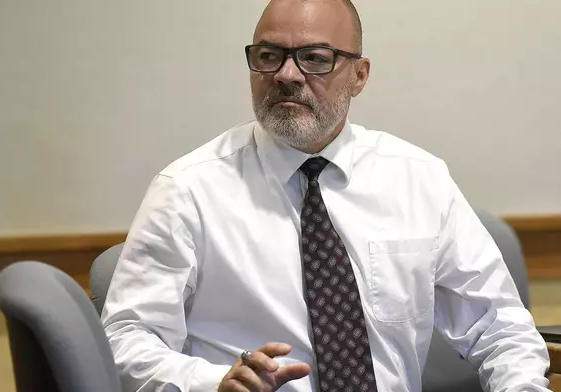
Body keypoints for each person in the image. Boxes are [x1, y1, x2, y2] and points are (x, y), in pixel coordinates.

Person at [102, 0, 551, 391]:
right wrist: (210, 382)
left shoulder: (419, 179)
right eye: (268, 56)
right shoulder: (188, 190)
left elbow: (500, 328)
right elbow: (124, 339)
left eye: (314, 58)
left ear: (359, 75)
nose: (286, 74)